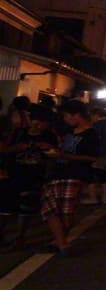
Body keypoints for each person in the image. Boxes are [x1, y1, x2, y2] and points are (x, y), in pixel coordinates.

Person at [40, 100, 98, 256]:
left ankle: (60, 242)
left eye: (66, 116)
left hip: (75, 174)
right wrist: (53, 150)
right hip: (57, 173)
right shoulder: (70, 132)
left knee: (66, 212)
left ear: (76, 115)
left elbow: (92, 158)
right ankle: (61, 243)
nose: (65, 119)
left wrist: (64, 155)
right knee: (50, 209)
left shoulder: (91, 134)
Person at [0, 104, 58, 249]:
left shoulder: (50, 136)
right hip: (13, 173)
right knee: (5, 206)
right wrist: (18, 148)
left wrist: (49, 149)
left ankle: (20, 237)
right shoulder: (19, 133)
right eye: (35, 121)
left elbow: (56, 154)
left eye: (41, 123)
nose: (37, 125)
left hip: (35, 175)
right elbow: (5, 150)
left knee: (26, 208)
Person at [83, 105, 106, 205]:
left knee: (92, 176)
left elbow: (94, 139)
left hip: (98, 153)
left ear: (96, 115)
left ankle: (93, 198)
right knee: (104, 176)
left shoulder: (98, 124)